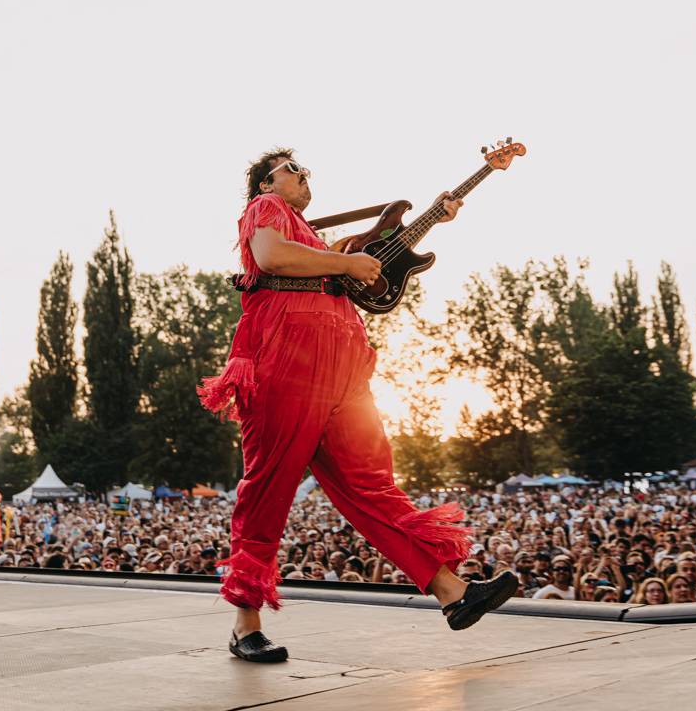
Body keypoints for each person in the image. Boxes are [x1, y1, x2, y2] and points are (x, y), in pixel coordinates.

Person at [199, 148, 518, 663]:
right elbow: (271, 256)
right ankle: (246, 623)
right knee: (268, 488)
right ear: (266, 184)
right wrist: (345, 261)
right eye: (292, 169)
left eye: (305, 170)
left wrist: (430, 220)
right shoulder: (266, 210)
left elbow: (369, 260)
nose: (304, 175)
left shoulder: (316, 242)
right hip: (285, 360)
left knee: (372, 485)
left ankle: (454, 594)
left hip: (342, 367)